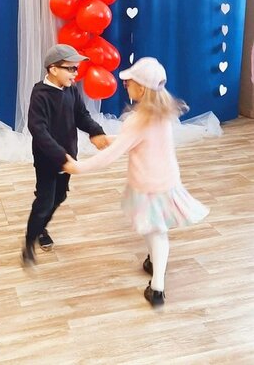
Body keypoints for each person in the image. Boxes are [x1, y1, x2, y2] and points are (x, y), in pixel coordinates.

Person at [63, 57, 210, 307]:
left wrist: (79, 167)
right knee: (154, 229)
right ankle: (154, 263)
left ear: (141, 88)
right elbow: (137, 141)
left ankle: (157, 288)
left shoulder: (138, 120)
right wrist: (109, 139)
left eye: (128, 82)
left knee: (154, 231)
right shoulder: (161, 114)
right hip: (166, 182)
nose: (125, 86)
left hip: (148, 186)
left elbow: (112, 155)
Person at [22, 44, 108, 266]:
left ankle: (41, 227)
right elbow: (38, 131)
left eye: (76, 69)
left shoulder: (71, 89)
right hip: (48, 160)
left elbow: (82, 115)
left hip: (68, 157)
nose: (75, 74)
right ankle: (30, 242)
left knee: (60, 196)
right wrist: (61, 157)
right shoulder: (40, 95)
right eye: (70, 69)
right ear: (53, 69)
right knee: (44, 201)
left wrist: (96, 131)